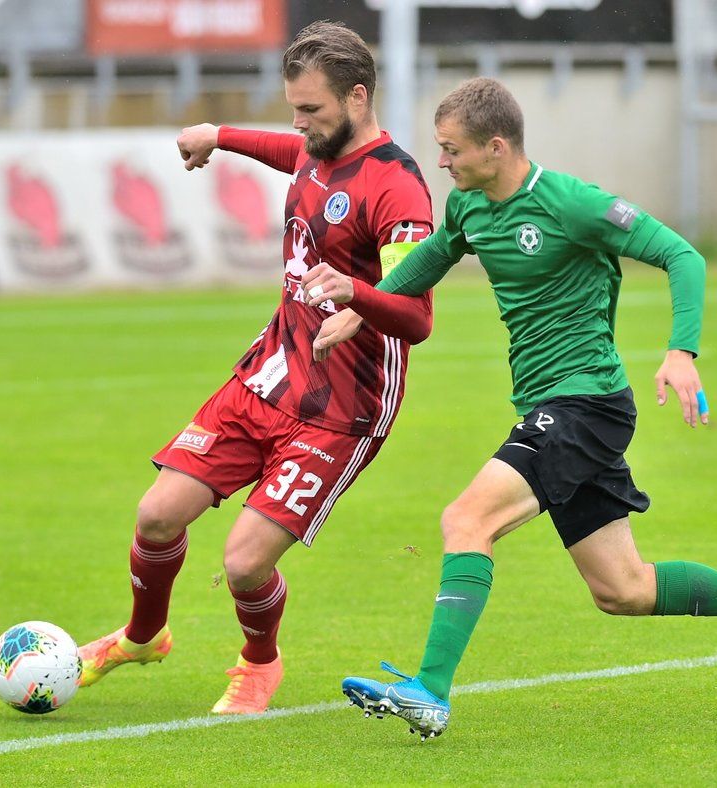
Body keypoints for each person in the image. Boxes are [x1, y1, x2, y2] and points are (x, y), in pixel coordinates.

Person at [301, 77, 717, 741]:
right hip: (554, 405)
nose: (442, 163)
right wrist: (364, 303)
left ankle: (430, 691)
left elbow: (681, 255)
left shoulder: (571, 203)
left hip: (585, 402)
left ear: (496, 147)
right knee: (624, 590)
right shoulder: (470, 205)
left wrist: (683, 351)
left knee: (467, 519)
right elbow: (438, 254)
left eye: (452, 150)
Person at [76, 21, 435, 715]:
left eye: (312, 111)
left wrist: (356, 297)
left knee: (244, 562)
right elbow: (290, 153)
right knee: (156, 516)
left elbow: (416, 316)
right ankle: (143, 637)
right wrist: (219, 133)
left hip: (343, 406)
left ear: (358, 98)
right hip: (270, 373)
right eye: (294, 108)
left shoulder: (398, 190)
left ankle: (258, 664)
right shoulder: (315, 149)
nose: (299, 124)